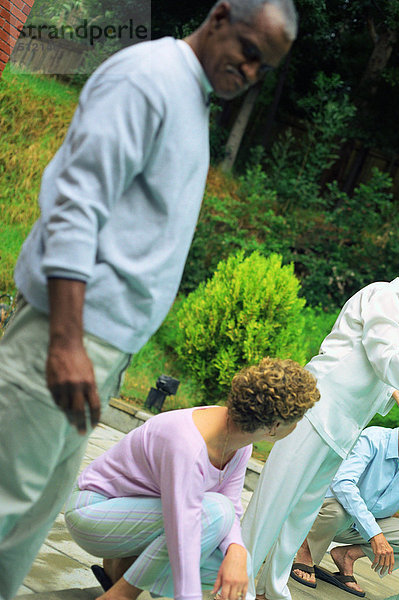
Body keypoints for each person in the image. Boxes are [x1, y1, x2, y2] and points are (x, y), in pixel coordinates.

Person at [0, 1, 297, 597]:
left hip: (100, 348)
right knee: (8, 501)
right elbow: (75, 205)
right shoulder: (149, 77)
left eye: (263, 68)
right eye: (248, 50)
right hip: (65, 336)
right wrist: (64, 341)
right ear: (217, 18)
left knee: (30, 517)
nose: (250, 72)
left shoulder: (190, 100)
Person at [241, 245, 399, 600]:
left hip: (340, 426)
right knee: (275, 499)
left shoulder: (396, 308)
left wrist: (393, 394)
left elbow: (366, 361)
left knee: (302, 512)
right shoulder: (385, 296)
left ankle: (270, 587)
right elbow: (381, 355)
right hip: (319, 411)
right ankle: (236, 579)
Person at [64, 358, 320, 600]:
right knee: (214, 511)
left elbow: (230, 507)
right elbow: (184, 533)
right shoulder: (185, 444)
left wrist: (237, 551)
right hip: (93, 513)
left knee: (234, 567)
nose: (297, 427)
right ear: (274, 426)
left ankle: (122, 567)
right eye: (297, 420)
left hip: (138, 517)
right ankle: (119, 594)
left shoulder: (241, 443)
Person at [290, 406, 399, 600]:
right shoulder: (374, 438)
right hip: (324, 513)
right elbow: (343, 484)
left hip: (358, 526)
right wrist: (374, 533)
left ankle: (347, 556)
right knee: (339, 510)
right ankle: (306, 551)